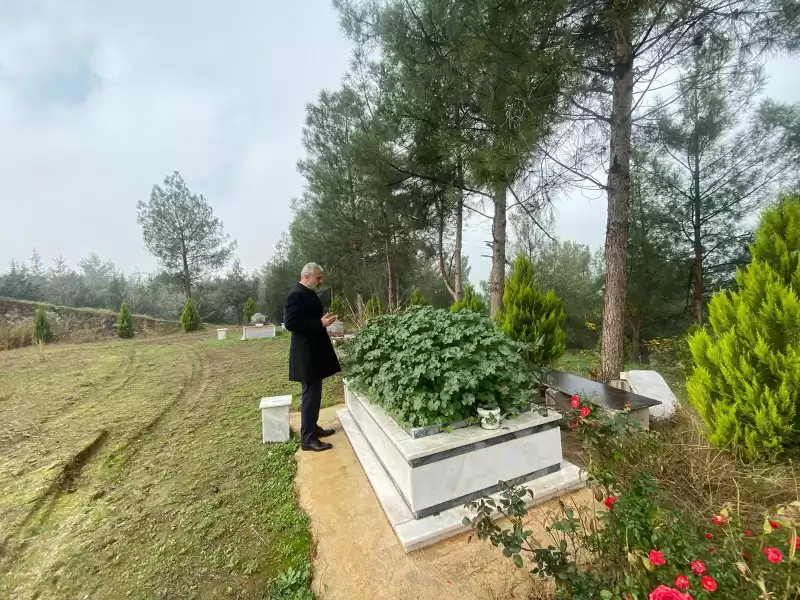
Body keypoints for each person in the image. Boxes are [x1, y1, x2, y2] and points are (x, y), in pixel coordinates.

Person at [284, 263, 341, 452]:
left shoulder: (307, 293)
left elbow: (305, 318)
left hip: (313, 352)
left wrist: (321, 321)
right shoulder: (296, 294)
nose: (320, 281)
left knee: (315, 393)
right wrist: (319, 323)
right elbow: (291, 323)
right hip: (306, 353)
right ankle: (307, 438)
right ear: (307, 276)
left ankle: (312, 427)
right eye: (318, 278)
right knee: (310, 394)